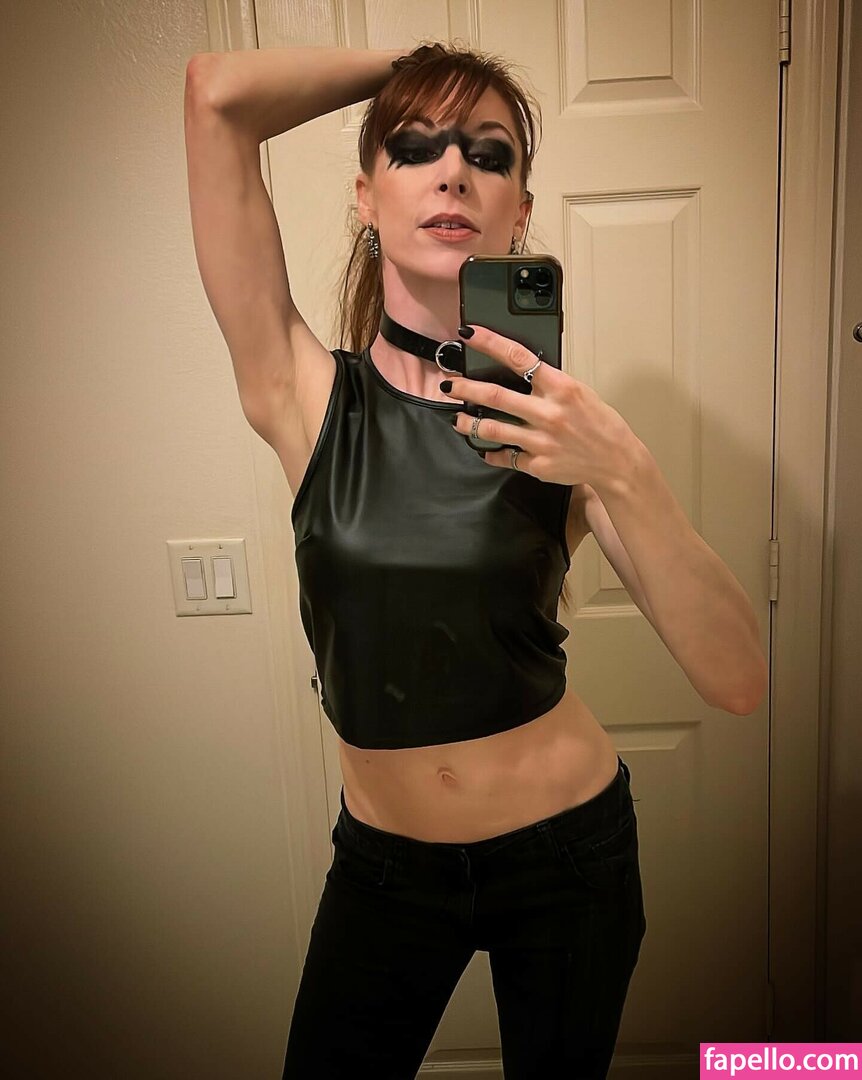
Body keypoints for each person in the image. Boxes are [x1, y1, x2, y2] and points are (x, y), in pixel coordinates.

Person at [186, 39, 652, 1080]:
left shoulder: (562, 432)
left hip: (568, 852)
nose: (452, 169)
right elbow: (216, 97)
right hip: (386, 866)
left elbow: (737, 677)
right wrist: (417, 64)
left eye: (486, 153)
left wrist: (624, 468)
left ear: (519, 211)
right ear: (366, 196)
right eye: (415, 145)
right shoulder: (308, 396)